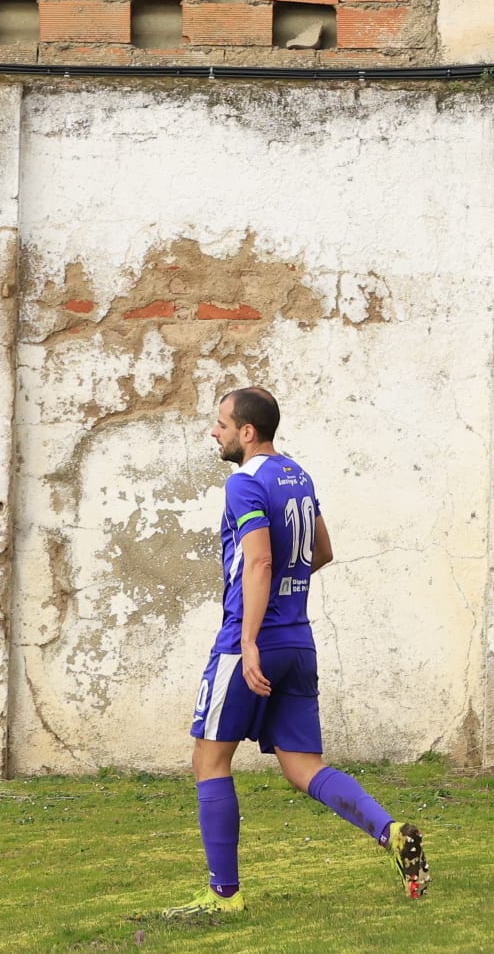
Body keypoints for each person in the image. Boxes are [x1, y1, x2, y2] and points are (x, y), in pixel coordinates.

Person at [165, 386, 428, 916]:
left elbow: (259, 561)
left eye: (221, 424)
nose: (213, 433)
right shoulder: (298, 477)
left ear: (247, 432)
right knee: (302, 765)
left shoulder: (244, 482)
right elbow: (322, 551)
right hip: (298, 638)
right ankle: (390, 830)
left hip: (253, 641)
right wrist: (285, 594)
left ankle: (224, 896)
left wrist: (247, 638)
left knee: (209, 758)